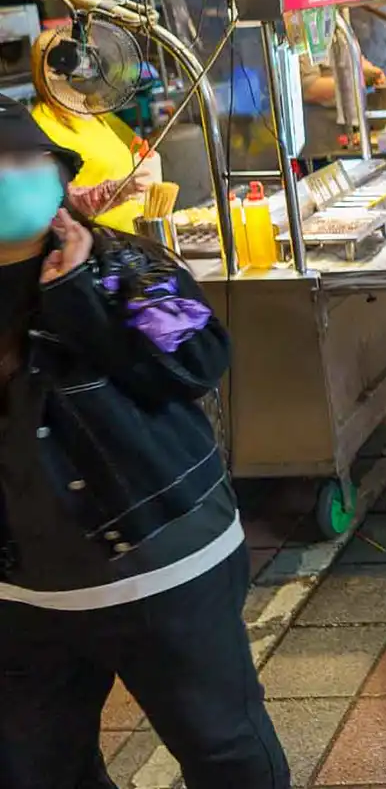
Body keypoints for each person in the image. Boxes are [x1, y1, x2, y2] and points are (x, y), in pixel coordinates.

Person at [0, 94, 288, 788]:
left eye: (24, 159)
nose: (12, 176)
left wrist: (77, 300)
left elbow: (198, 359)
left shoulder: (127, 264)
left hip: (164, 565)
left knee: (224, 753)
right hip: (26, 594)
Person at [30, 32, 161, 233]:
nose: (93, 64)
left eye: (93, 54)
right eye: (82, 57)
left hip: (140, 239)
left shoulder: (98, 114)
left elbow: (137, 152)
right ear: (52, 69)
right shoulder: (42, 127)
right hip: (103, 248)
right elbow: (60, 204)